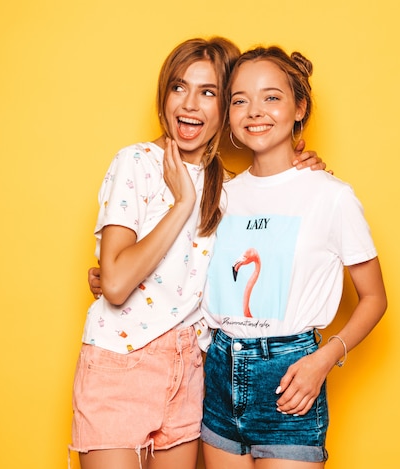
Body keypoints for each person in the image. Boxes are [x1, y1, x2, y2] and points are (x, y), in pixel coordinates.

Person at [72, 37, 325, 469]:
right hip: (120, 364)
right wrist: (183, 204)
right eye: (178, 87)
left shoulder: (230, 189)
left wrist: (302, 168)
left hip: (192, 370)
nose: (189, 104)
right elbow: (114, 285)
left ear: (227, 108)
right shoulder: (137, 163)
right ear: (163, 96)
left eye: (208, 92)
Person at [198, 46, 387, 468]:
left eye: (271, 97)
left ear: (299, 106)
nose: (254, 111)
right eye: (239, 99)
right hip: (218, 373)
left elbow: (374, 298)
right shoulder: (221, 196)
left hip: (289, 378)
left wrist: (323, 360)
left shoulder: (331, 196)